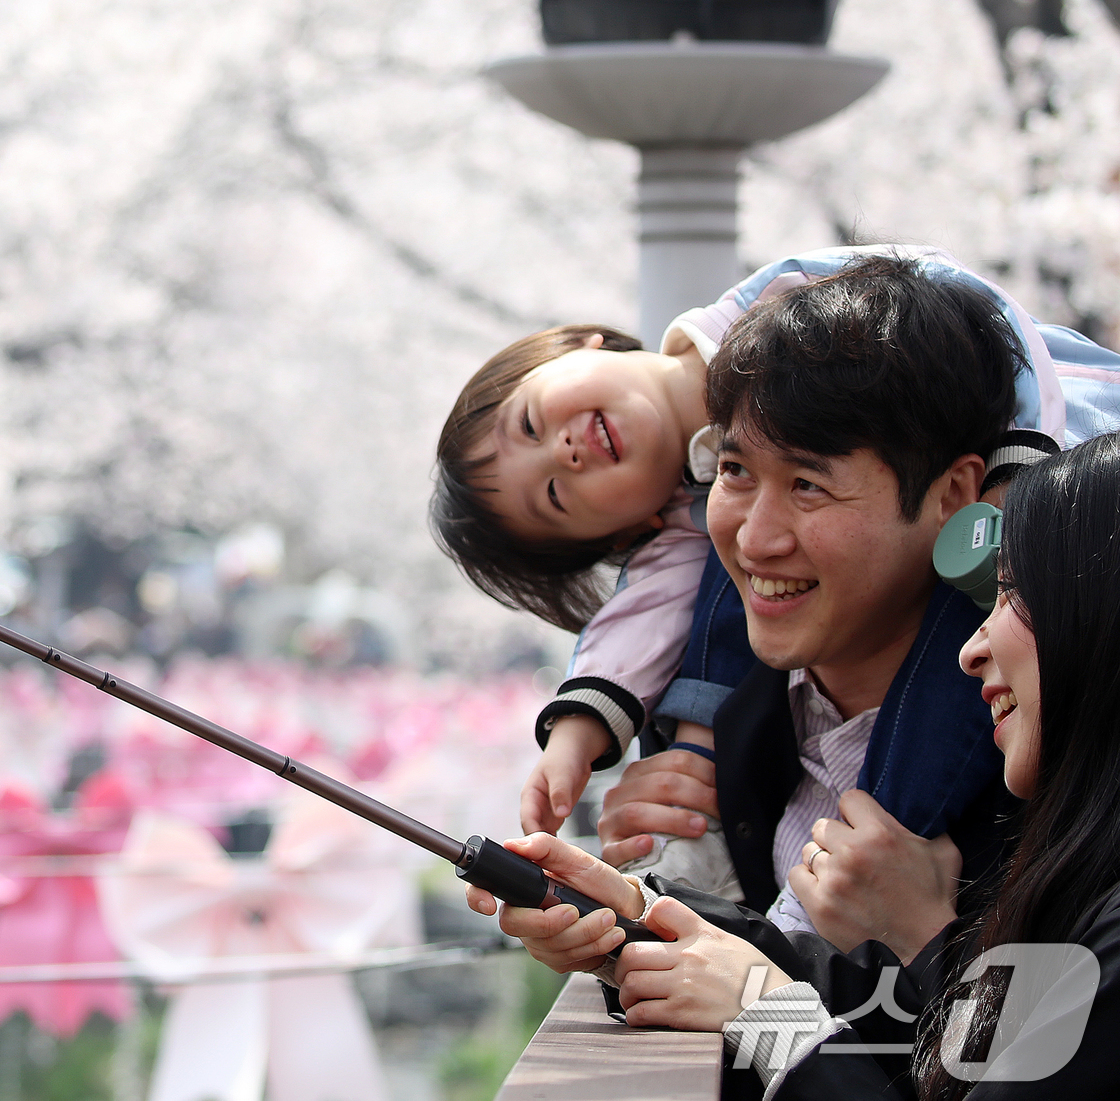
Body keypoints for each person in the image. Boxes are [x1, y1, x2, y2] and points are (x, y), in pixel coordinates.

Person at [435, 247, 1120, 912]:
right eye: (732, 472)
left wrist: (913, 940)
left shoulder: (1041, 729)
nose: (566, 452)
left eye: (808, 483)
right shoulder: (742, 673)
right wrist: (641, 907)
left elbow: (980, 310)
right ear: (631, 532)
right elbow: (637, 622)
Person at [475, 433, 1120, 1099]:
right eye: (732, 472)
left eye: (1012, 593)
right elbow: (929, 1016)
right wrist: (638, 916)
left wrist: (767, 1011)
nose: (968, 648)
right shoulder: (1080, 873)